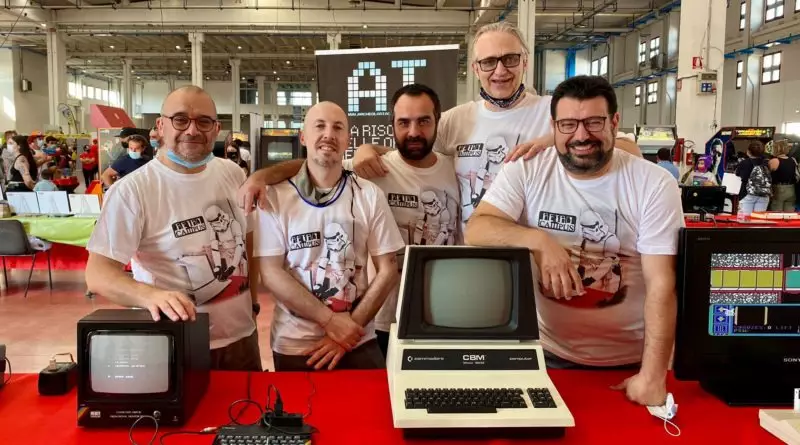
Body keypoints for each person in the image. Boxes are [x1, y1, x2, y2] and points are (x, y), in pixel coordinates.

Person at [260, 22, 642, 231]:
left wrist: (554, 141)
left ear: (525, 61)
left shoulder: (555, 113)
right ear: (475, 69)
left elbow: (629, 150)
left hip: (537, 253)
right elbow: (412, 150)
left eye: (510, 59)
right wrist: (365, 149)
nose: (500, 70)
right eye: (489, 62)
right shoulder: (459, 119)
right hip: (472, 249)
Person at [464, 76, 684, 407]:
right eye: (568, 124)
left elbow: (662, 285)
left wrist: (652, 376)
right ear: (553, 127)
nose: (581, 136)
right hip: (548, 355)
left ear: (614, 123)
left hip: (632, 361)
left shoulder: (652, 183)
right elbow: (477, 229)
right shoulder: (527, 169)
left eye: (593, 122)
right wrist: (538, 240)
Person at [85, 85, 262, 371]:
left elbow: (248, 240)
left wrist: (252, 303)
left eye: (203, 121)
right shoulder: (132, 191)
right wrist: (150, 295)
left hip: (241, 342)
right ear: (160, 126)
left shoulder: (232, 173)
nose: (192, 130)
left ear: (216, 129)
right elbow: (98, 274)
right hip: (175, 345)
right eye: (180, 119)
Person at [253, 101, 404, 371]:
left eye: (337, 128)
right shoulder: (275, 196)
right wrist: (330, 321)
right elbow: (271, 272)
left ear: (348, 139)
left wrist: (350, 329)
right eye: (320, 126)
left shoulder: (369, 194)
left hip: (358, 339)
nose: (329, 134)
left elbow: (388, 269)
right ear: (303, 137)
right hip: (295, 344)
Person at [346, 84, 461, 356]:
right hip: (385, 318)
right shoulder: (372, 168)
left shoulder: (456, 168)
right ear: (392, 124)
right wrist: (260, 177)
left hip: (445, 312)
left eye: (424, 121)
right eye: (404, 122)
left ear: (437, 120)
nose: (413, 132)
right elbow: (313, 170)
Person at [735, 141, 771, 215]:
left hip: (747, 193)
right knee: (759, 219)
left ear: (748, 151)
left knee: (744, 219)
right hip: (764, 195)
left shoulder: (744, 163)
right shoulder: (767, 162)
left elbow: (739, 175)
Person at [767, 139, 797, 211]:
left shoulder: (774, 161)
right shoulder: (793, 160)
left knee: (777, 213)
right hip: (791, 189)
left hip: (778, 189)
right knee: (789, 214)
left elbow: (767, 176)